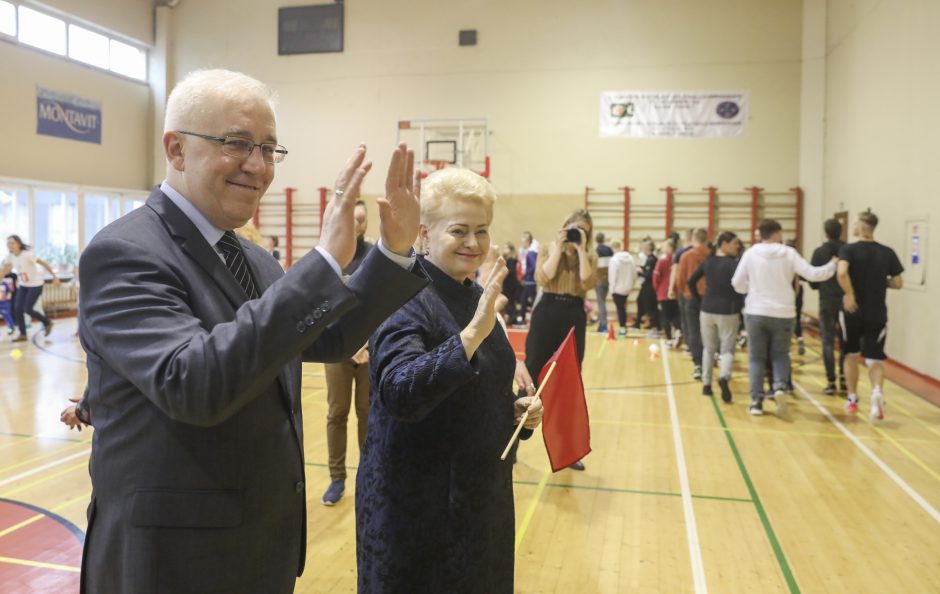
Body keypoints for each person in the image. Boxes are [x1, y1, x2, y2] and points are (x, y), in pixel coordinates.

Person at [76, 69, 427, 594]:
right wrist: (325, 261)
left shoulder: (253, 259)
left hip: (258, 546)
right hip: (172, 560)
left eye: (268, 148)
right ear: (176, 149)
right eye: (237, 144)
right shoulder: (126, 253)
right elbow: (193, 383)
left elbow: (323, 337)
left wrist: (393, 252)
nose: (258, 166)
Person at [356, 167, 542, 594]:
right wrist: (472, 334)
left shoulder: (477, 298)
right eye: (459, 230)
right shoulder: (400, 295)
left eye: (482, 230)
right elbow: (400, 393)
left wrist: (517, 412)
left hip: (480, 506)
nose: (474, 243)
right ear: (424, 233)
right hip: (416, 512)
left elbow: (483, 387)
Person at [731, 219, 836, 417]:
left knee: (756, 358)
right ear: (777, 234)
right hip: (784, 312)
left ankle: (756, 402)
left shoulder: (751, 254)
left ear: (760, 234)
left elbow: (737, 283)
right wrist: (832, 265)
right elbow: (812, 274)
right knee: (780, 354)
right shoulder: (789, 253)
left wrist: (749, 290)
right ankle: (779, 386)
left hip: (756, 312)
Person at [525, 209, 597, 471]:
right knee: (531, 372)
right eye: (574, 228)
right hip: (547, 311)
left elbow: (587, 282)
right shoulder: (547, 248)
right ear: (564, 226)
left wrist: (580, 250)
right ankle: (512, 437)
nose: (579, 233)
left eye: (584, 230)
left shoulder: (589, 255)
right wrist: (559, 246)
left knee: (569, 379)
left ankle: (567, 450)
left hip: (573, 314)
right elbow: (543, 277)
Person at [321, 200, 374, 506]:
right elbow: (321, 303)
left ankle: (368, 478)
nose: (357, 224)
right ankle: (336, 479)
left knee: (367, 415)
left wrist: (365, 342)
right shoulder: (330, 256)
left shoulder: (374, 257)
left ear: (367, 223)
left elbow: (382, 303)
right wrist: (345, 343)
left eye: (362, 219)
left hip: (368, 351)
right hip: (336, 349)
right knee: (336, 413)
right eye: (352, 218)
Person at [837, 210, 903, 422]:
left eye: (856, 222)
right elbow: (898, 282)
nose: (854, 225)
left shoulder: (848, 250)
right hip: (877, 312)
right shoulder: (887, 252)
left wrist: (849, 294)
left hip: (852, 311)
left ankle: (853, 399)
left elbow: (841, 273)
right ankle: (877, 393)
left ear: (862, 227)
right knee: (874, 358)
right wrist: (879, 281)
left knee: (851, 355)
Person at [688, 232, 743, 402]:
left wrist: (700, 300)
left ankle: (706, 385)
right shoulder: (734, 265)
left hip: (707, 309)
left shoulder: (708, 262)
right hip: (728, 311)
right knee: (726, 349)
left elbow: (691, 281)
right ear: (724, 244)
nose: (737, 246)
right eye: (734, 243)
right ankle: (724, 377)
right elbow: (742, 287)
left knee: (708, 348)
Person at [809, 219, 847, 395]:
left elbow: (813, 282)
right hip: (846, 300)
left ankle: (831, 381)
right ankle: (844, 378)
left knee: (828, 342)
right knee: (846, 341)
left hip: (826, 301)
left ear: (825, 232)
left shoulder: (819, 252)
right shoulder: (848, 250)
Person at [1, 235, 61, 341]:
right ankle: (23, 334)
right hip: (23, 285)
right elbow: (4, 270)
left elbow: (44, 264)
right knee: (18, 308)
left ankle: (47, 322)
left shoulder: (27, 255)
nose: (9, 245)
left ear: (18, 244)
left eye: (12, 242)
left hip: (36, 285)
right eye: (8, 243)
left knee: (27, 309)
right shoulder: (10, 256)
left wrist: (54, 277)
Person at [675, 228, 710, 379]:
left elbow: (681, 279)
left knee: (693, 330)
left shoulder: (686, 256)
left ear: (693, 239)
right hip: (710, 297)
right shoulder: (711, 255)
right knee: (710, 331)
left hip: (691, 297)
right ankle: (711, 357)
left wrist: (685, 292)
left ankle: (698, 364)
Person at [653, 239, 682, 346]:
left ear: (670, 247)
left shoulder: (662, 260)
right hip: (677, 291)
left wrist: (656, 289)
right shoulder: (678, 258)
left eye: (664, 246)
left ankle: (669, 339)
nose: (662, 248)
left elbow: (656, 277)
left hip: (663, 291)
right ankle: (678, 331)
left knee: (665, 316)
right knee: (676, 314)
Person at [608, 240, 637, 336]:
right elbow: (634, 273)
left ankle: (622, 327)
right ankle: (623, 326)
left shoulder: (614, 260)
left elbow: (612, 276)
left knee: (620, 308)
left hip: (617, 288)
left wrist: (611, 289)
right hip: (628, 287)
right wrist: (632, 285)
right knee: (622, 308)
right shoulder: (630, 258)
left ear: (612, 248)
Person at [634, 240, 660, 334]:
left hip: (649, 286)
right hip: (647, 286)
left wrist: (640, 271)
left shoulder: (651, 259)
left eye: (644, 248)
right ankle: (638, 323)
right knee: (640, 301)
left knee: (649, 307)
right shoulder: (651, 258)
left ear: (648, 249)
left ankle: (655, 327)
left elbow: (648, 275)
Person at [517, 231, 539, 324]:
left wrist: (526, 274)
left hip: (530, 281)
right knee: (525, 300)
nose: (522, 244)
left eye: (523, 241)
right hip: (530, 281)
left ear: (527, 241)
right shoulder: (531, 252)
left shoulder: (530, 253)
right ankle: (524, 318)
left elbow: (533, 266)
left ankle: (525, 319)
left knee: (527, 300)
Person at [594, 232, 614, 333]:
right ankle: (601, 322)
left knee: (601, 303)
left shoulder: (596, 250)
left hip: (600, 280)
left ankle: (603, 324)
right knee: (603, 302)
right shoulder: (609, 250)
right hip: (608, 279)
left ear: (596, 240)